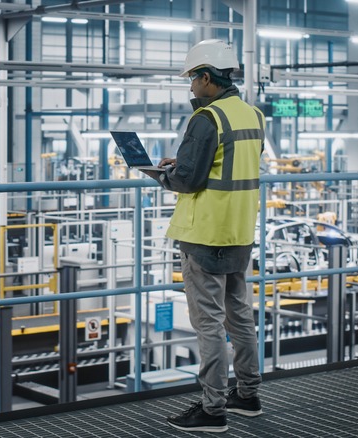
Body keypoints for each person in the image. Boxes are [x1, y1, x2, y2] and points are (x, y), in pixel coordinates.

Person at [140, 39, 264, 433]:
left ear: (208, 77)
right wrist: (188, 160)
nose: (191, 87)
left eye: (193, 79)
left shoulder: (206, 118)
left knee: (208, 323)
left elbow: (188, 180)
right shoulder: (252, 115)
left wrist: (163, 174)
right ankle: (247, 395)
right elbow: (228, 163)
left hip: (206, 232)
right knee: (239, 315)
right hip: (240, 230)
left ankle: (213, 411)